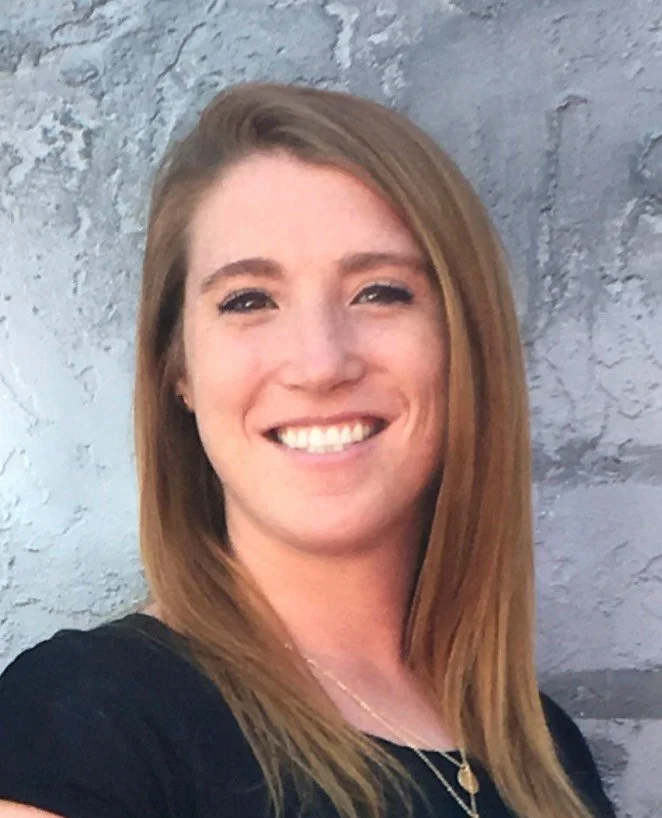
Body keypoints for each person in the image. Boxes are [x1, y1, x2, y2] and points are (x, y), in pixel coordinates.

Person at [0, 82, 616, 818]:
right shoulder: (86, 726)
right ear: (179, 371)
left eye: (381, 291)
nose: (321, 363)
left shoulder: (544, 747)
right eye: (249, 300)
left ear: (465, 348)